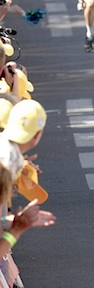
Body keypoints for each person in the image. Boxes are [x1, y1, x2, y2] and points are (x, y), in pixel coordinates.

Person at [0, 100, 56, 270]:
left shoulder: (7, 151)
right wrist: (16, 229)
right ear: (37, 134)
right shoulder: (7, 164)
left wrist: (8, 221)